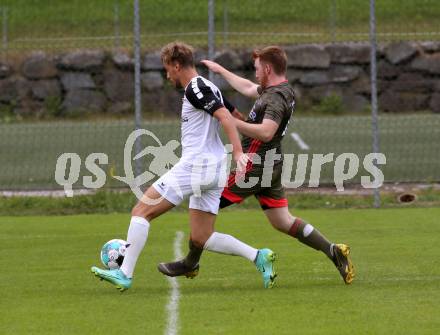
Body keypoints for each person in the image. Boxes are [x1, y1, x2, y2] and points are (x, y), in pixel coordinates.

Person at [158, 46, 355, 285]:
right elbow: (249, 88)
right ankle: (333, 250)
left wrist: (229, 121)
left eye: (257, 69)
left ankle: (191, 262)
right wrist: (221, 71)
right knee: (283, 221)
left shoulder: (275, 98)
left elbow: (266, 132)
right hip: (271, 164)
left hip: (254, 166)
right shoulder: (279, 89)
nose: (255, 73)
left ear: (268, 68)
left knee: (203, 204)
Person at [91, 42, 278, 291]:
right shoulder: (210, 87)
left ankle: (125, 273)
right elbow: (237, 117)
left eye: (168, 69)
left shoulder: (195, 88)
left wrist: (238, 152)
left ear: (177, 65)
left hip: (196, 167)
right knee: (202, 237)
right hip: (214, 171)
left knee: (141, 211)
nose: (167, 75)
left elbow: (224, 117)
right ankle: (259, 256)